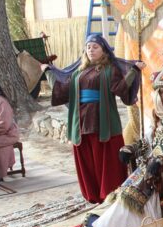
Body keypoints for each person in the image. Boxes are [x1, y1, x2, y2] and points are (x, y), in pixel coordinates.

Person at [52, 52, 163, 227]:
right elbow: (147, 143)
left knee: (126, 199)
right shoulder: (158, 118)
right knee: (116, 198)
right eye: (161, 93)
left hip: (162, 174)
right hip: (145, 172)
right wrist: (131, 148)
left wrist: (161, 159)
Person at [43, 34, 145, 203]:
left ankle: (109, 195)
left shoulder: (110, 69)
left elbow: (120, 88)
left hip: (103, 122)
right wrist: (48, 72)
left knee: (106, 162)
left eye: (95, 47)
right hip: (81, 123)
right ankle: (93, 195)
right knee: (88, 163)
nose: (91, 50)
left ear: (104, 50)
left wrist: (134, 71)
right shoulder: (78, 72)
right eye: (88, 47)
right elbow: (62, 90)